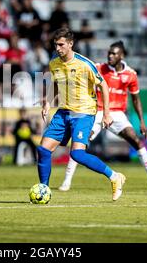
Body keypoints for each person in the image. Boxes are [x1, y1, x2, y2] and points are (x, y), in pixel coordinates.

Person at [58, 41, 147, 192]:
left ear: (122, 55)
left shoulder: (131, 74)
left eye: (114, 53)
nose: (110, 56)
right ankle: (66, 181)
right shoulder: (99, 68)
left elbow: (136, 99)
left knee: (135, 140)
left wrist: (142, 121)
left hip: (117, 114)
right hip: (97, 111)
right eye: (109, 53)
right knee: (80, 142)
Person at [37, 28, 126, 201]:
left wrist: (106, 113)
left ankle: (115, 177)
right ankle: (44, 190)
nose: (58, 48)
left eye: (61, 44)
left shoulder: (85, 64)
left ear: (71, 44)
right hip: (63, 112)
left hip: (84, 113)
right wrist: (48, 101)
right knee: (43, 149)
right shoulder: (54, 63)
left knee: (77, 154)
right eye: (56, 44)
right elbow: (56, 83)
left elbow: (103, 86)